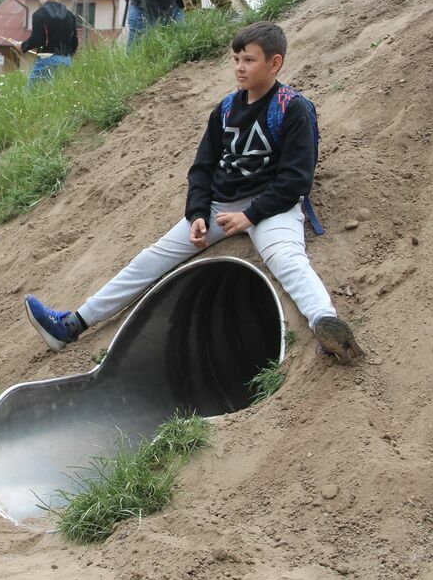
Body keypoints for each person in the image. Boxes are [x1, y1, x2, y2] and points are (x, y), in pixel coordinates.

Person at [24, 21, 363, 365]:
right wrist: (198, 212)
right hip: (220, 205)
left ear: (274, 63)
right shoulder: (227, 108)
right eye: (236, 59)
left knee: (287, 259)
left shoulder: (293, 109)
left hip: (272, 207)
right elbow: (202, 168)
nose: (240, 68)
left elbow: (297, 179)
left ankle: (326, 325)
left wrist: (251, 214)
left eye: (249, 60)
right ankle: (72, 324)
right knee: (151, 258)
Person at [9, 0, 78, 85]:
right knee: (56, 97)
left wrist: (22, 46)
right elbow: (74, 42)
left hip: (47, 60)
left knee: (31, 97)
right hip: (66, 61)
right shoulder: (70, 15)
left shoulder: (40, 14)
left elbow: (36, 40)